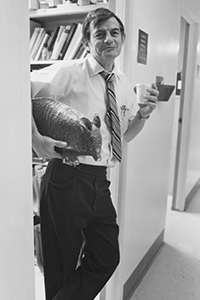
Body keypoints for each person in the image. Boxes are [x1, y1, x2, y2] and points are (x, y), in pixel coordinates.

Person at [31, 7, 159, 300]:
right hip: (66, 178)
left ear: (123, 38)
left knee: (106, 257)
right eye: (99, 34)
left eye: (114, 32)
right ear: (88, 42)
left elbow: (123, 136)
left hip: (99, 182)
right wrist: (35, 139)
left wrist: (143, 115)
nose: (108, 39)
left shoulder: (123, 83)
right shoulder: (69, 73)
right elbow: (16, 89)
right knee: (60, 267)